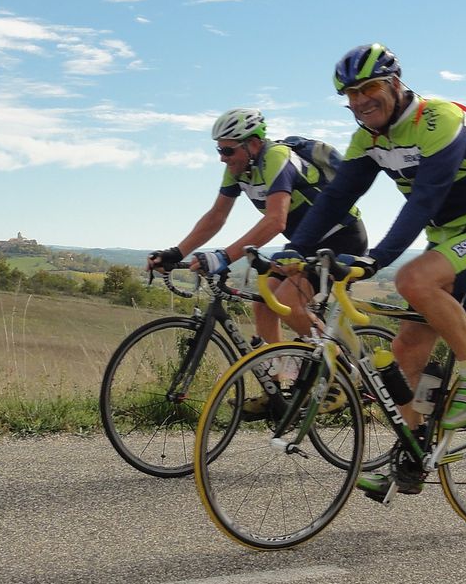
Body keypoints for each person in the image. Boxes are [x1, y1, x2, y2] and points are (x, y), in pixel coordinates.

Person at [288, 43, 466, 498]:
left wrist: (377, 257)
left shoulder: (438, 118)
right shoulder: (370, 138)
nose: (360, 101)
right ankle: (414, 456)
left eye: (370, 88)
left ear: (395, 84)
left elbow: (428, 198)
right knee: (407, 349)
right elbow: (336, 198)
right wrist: (292, 248)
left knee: (412, 278)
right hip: (448, 239)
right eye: (351, 94)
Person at [148, 108, 368, 412]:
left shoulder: (276, 157)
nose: (223, 158)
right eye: (219, 149)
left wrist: (224, 256)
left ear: (252, 143)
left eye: (228, 150)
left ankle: (342, 375)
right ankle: (277, 386)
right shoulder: (239, 168)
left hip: (340, 238)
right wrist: (177, 252)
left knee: (289, 303)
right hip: (305, 244)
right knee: (263, 303)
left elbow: (275, 221)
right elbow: (216, 216)